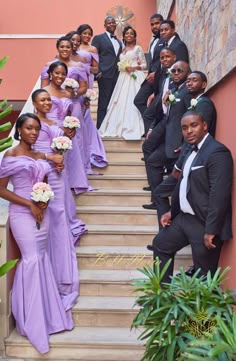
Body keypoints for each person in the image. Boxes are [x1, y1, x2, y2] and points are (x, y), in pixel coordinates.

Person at [0, 113, 74, 353]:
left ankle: (46, 314)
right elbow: (1, 189)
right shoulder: (10, 155)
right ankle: (30, 319)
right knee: (31, 259)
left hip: (44, 213)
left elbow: (43, 178)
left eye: (37, 129)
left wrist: (43, 200)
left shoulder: (37, 154)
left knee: (41, 258)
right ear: (19, 129)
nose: (33, 132)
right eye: (29, 128)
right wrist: (29, 204)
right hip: (22, 215)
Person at [149, 111, 233, 284]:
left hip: (204, 222)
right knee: (161, 244)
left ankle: (201, 311)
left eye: (193, 125)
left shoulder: (217, 152)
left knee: (204, 278)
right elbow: (184, 185)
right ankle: (163, 300)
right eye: (184, 128)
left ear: (204, 126)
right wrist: (172, 213)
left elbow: (219, 195)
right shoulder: (190, 150)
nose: (189, 131)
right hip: (185, 218)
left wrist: (211, 230)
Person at [153, 70, 217, 223]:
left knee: (163, 192)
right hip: (187, 159)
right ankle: (168, 228)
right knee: (164, 193)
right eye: (188, 81)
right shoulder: (196, 103)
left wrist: (179, 166)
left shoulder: (205, 104)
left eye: (194, 80)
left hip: (196, 162)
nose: (189, 83)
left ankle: (170, 228)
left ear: (204, 84)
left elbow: (196, 138)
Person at [142, 60, 191, 209]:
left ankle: (162, 201)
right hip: (166, 129)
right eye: (173, 71)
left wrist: (185, 143)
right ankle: (158, 200)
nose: (175, 73)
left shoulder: (187, 92)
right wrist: (152, 128)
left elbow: (192, 118)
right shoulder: (174, 89)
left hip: (177, 140)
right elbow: (167, 112)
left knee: (155, 161)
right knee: (150, 154)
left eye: (179, 71)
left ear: (187, 74)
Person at [42, 61, 93, 193]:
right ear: (50, 74)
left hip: (66, 132)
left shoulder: (67, 93)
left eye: (63, 74)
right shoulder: (43, 92)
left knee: (69, 159)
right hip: (49, 131)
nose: (60, 76)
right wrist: (58, 127)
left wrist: (71, 127)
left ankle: (70, 184)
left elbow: (68, 113)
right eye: (57, 73)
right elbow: (38, 117)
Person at [134, 18, 189, 118]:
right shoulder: (163, 44)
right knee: (141, 102)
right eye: (161, 30)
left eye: (166, 30)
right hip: (159, 82)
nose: (163, 32)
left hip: (169, 86)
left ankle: (153, 128)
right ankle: (153, 126)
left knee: (151, 114)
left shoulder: (178, 45)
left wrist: (171, 90)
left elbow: (182, 69)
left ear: (173, 30)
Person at [99, 26, 147, 140]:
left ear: (134, 36)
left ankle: (135, 127)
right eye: (127, 33)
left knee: (134, 100)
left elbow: (145, 65)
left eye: (131, 33)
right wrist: (123, 68)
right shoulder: (122, 49)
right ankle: (117, 126)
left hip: (135, 77)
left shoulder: (138, 48)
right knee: (119, 101)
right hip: (123, 78)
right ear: (124, 36)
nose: (129, 35)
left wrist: (134, 67)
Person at [75, 24, 108, 170]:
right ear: (80, 34)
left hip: (86, 80)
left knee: (85, 111)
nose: (87, 36)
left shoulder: (93, 49)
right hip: (72, 79)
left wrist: (83, 67)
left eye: (90, 34)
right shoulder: (72, 46)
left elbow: (96, 68)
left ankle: (90, 147)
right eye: (85, 33)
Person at [91, 16, 123, 129]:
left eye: (113, 23)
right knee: (104, 102)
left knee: (113, 102)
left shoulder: (119, 41)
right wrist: (98, 71)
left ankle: (110, 127)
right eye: (109, 23)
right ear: (105, 25)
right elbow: (93, 55)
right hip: (104, 74)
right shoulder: (99, 38)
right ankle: (100, 127)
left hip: (117, 75)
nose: (111, 24)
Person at [133, 13, 163, 117]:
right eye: (152, 24)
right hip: (151, 77)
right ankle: (151, 124)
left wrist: (157, 73)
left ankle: (152, 126)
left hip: (160, 76)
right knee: (139, 100)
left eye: (157, 23)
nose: (154, 26)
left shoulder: (166, 40)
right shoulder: (153, 41)